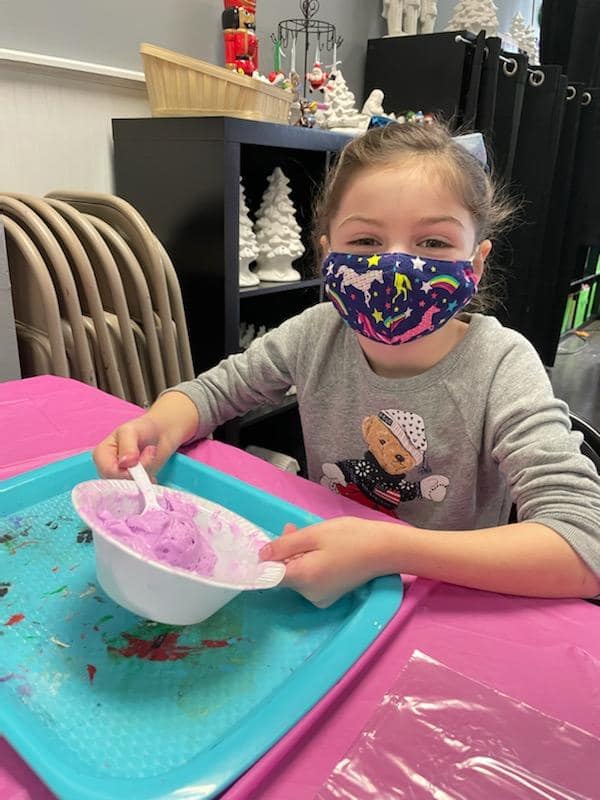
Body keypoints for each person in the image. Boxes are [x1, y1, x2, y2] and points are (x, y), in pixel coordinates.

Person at [94, 122, 600, 607]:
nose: (397, 264)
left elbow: (583, 545)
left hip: (442, 601)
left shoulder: (501, 364)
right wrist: (157, 423)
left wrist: (387, 549)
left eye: (433, 242)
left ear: (475, 263)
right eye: (365, 242)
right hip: (327, 589)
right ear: (326, 254)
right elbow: (215, 392)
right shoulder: (316, 334)